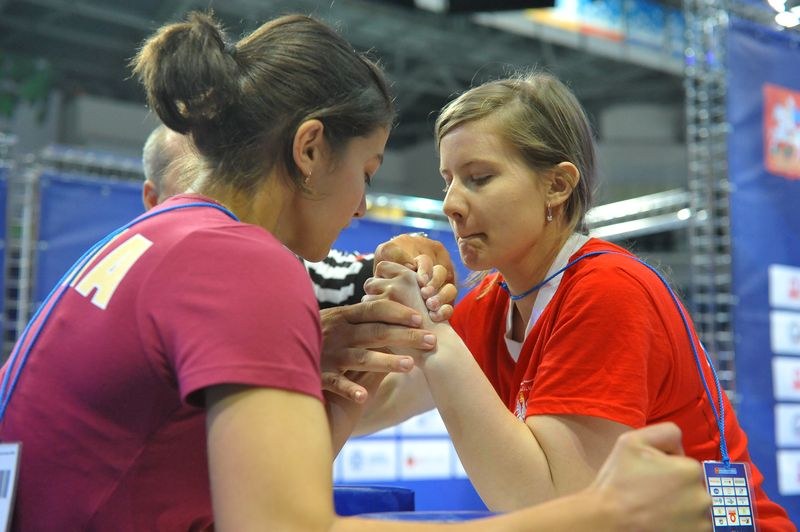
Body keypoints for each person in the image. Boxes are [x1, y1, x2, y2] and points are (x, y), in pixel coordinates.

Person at [0, 13, 712, 531]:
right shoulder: (243, 263)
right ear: (310, 151)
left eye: (480, 177)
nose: (370, 204)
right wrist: (604, 514)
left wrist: (333, 370)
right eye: (369, 171)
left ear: (557, 185)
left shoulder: (168, 237)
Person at [360, 72, 795, 530]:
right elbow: (371, 406)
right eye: (448, 180)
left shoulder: (608, 288)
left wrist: (432, 336)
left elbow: (551, 504)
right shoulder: (491, 301)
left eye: (479, 178)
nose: (451, 203)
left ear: (557, 185)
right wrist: (386, 319)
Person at [140, 123, 456, 404]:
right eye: (199, 185)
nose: (359, 207)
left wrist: (407, 251)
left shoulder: (289, 266)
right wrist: (291, 350)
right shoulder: (172, 281)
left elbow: (379, 271)